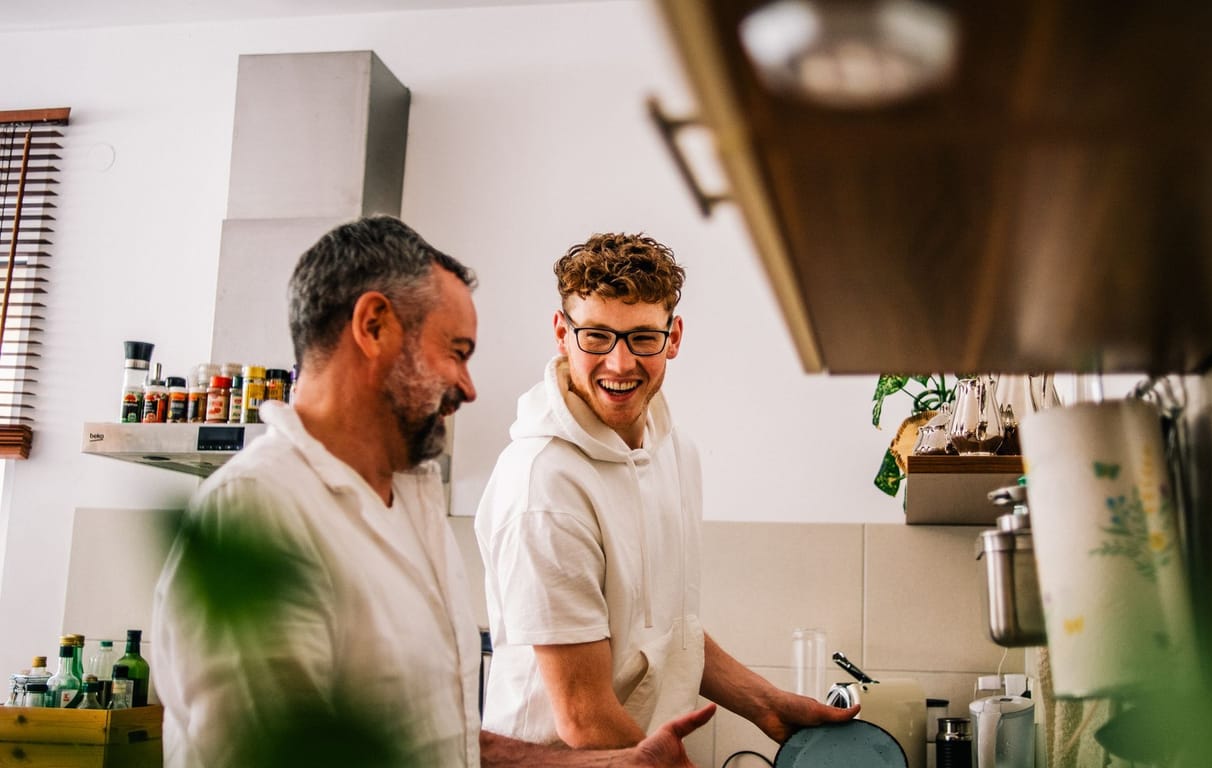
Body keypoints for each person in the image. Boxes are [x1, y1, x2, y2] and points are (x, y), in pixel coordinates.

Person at [152, 216, 714, 768]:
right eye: (457, 351)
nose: (468, 387)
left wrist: (620, 764)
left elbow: (445, 742)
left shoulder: (411, 497)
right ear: (373, 326)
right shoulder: (258, 517)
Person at [476, 233, 855, 751]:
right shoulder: (543, 483)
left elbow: (667, 635)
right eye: (596, 336)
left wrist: (767, 704)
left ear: (673, 337)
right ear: (561, 333)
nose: (619, 363)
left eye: (642, 338)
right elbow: (583, 716)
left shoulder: (676, 453)